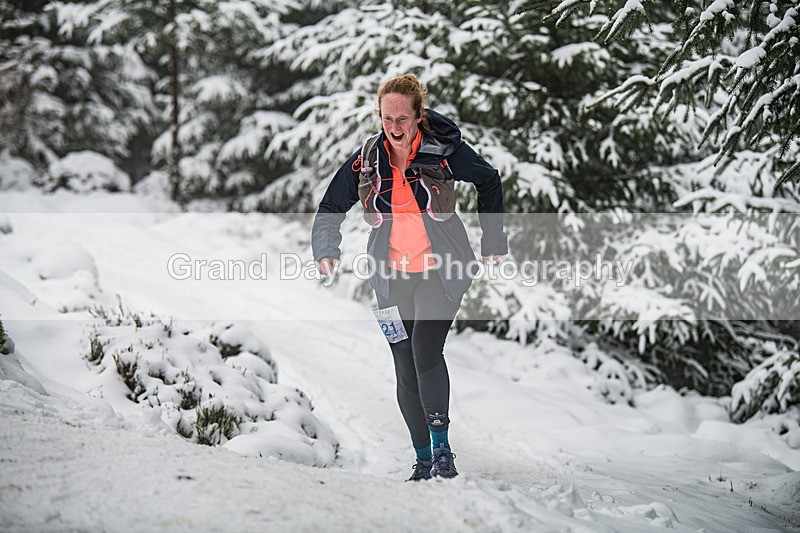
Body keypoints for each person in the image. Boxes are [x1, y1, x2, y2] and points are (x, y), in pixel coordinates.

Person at [311, 74, 507, 481]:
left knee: (424, 350)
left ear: (418, 115)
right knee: (404, 364)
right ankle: (422, 458)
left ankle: (442, 450)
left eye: (402, 118)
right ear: (379, 117)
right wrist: (326, 249)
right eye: (387, 118)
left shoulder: (443, 152)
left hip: (442, 272)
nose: (395, 126)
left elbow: (488, 179)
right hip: (390, 278)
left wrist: (493, 239)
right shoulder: (368, 159)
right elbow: (331, 205)